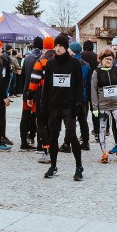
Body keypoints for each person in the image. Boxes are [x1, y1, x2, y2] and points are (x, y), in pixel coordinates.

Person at [40, 34, 84, 180]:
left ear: (66, 48)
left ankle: (79, 167)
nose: (57, 48)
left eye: (60, 46)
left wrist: (78, 104)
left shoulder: (75, 63)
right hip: (54, 105)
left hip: (69, 106)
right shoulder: (51, 64)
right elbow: (46, 86)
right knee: (53, 136)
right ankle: (53, 166)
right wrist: (43, 105)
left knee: (71, 135)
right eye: (56, 46)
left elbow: (79, 85)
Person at [91, 47, 117, 163]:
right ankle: (104, 152)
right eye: (107, 59)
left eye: (111, 59)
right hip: (103, 106)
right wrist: (95, 107)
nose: (109, 61)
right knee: (102, 129)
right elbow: (93, 90)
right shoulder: (96, 72)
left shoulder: (116, 69)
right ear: (101, 59)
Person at [28, 37, 56, 163]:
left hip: (42, 94)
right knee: (53, 123)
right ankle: (53, 148)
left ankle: (45, 148)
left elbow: (34, 80)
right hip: (56, 95)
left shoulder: (41, 61)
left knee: (41, 123)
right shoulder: (59, 60)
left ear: (44, 47)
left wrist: (30, 96)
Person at [60, 42, 91, 152]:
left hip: (72, 96)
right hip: (83, 95)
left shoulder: (71, 63)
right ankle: (86, 142)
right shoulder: (86, 64)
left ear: (72, 51)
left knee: (70, 120)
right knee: (83, 120)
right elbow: (88, 82)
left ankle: (67, 144)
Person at [20, 37, 43, 150]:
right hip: (37, 92)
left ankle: (23, 141)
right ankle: (39, 142)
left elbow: (23, 75)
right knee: (38, 117)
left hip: (26, 90)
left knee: (25, 116)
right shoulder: (42, 58)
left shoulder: (27, 57)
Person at [80, 40, 99, 140]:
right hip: (94, 86)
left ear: (84, 47)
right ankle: (96, 132)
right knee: (94, 110)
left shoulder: (81, 56)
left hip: (83, 86)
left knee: (83, 112)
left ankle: (83, 134)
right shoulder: (97, 57)